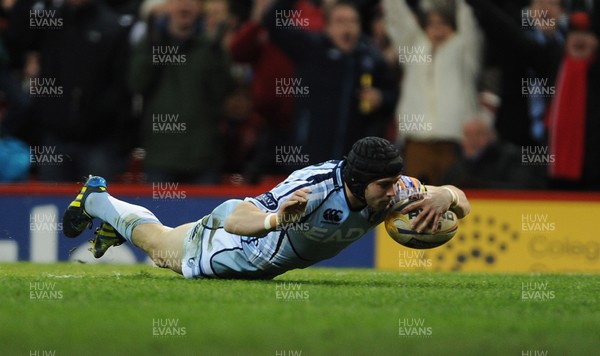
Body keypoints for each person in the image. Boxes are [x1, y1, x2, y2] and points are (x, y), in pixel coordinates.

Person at [62, 137, 470, 279]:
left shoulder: (396, 190)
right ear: (358, 182)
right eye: (384, 185)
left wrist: (445, 194)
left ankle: (108, 212)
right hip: (242, 248)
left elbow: (462, 203)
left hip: (268, 254)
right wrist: (276, 219)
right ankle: (97, 198)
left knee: (164, 241)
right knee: (161, 250)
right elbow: (238, 214)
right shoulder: (313, 188)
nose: (393, 192)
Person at [263, 0, 399, 164]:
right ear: (327, 27)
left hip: (354, 161)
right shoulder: (310, 48)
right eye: (340, 21)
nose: (347, 27)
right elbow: (272, 23)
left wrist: (381, 98)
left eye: (353, 21)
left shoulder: (371, 58)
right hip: (310, 156)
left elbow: (393, 94)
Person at [128, 0, 234, 184]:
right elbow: (136, 84)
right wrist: (154, 45)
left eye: (192, 2)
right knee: (158, 213)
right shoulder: (151, 43)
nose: (185, 6)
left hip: (203, 157)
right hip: (161, 156)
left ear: (200, 8)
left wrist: (217, 56)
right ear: (167, 6)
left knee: (206, 214)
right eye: (178, 1)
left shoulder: (211, 47)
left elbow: (223, 92)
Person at [383, 0, 482, 186]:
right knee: (415, 198)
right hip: (416, 141)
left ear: (453, 27)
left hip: (453, 139)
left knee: (451, 201)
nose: (438, 30)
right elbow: (397, 16)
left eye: (443, 24)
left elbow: (470, 21)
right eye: (432, 25)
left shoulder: (462, 50)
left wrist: (462, 5)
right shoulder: (414, 48)